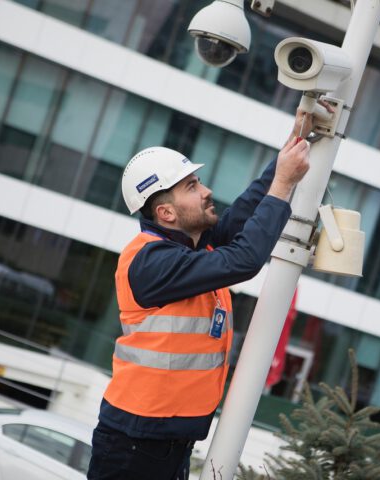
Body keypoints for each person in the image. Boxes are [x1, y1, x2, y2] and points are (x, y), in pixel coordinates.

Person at [88, 107, 326, 480]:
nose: (206, 190)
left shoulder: (192, 244)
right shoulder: (150, 261)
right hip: (136, 442)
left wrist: (295, 140)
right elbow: (245, 259)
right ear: (166, 213)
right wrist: (282, 186)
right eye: (192, 187)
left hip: (163, 441)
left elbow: (243, 214)